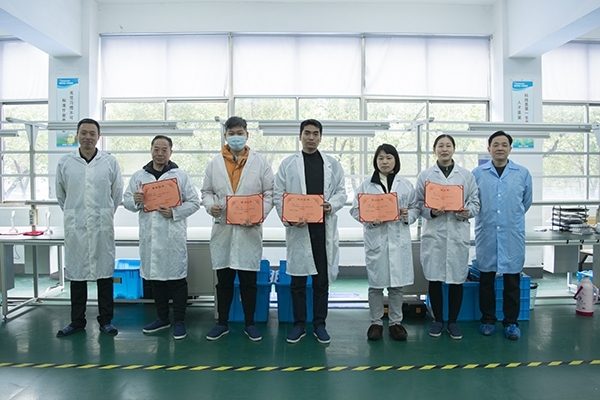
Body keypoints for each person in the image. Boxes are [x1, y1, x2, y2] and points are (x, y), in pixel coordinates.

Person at [273, 119, 347, 344]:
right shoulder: (288, 164)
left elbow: (342, 192)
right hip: (299, 229)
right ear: (300, 136)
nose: (311, 137)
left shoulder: (332, 164)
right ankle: (299, 324)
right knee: (297, 281)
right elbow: (278, 194)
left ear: (321, 137)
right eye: (307, 133)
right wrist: (289, 218)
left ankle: (319, 324)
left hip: (323, 229)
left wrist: (331, 205)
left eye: (315, 133)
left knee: (320, 281)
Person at [201, 116, 274, 342]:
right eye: (231, 133)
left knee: (248, 281)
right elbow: (206, 192)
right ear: (225, 136)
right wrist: (210, 206)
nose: (236, 137)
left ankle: (250, 323)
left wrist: (258, 214)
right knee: (224, 281)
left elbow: (269, 194)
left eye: (240, 133)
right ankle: (222, 323)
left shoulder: (260, 163)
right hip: (223, 228)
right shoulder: (214, 163)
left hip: (249, 229)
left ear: (247, 135)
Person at [123, 135, 200, 340]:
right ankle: (162, 318)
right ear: (151, 150)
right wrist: (135, 200)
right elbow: (127, 201)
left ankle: (180, 321)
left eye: (164, 150)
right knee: (156, 280)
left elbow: (194, 202)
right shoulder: (139, 176)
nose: (159, 153)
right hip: (150, 236)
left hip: (172, 236)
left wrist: (175, 212)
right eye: (156, 149)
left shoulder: (180, 176)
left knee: (177, 280)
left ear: (170, 152)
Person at [55, 118, 123, 337]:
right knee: (77, 275)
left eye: (92, 133)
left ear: (98, 137)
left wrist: (104, 213)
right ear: (77, 135)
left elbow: (117, 193)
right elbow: (61, 195)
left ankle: (106, 321)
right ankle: (77, 321)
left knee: (104, 275)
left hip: (102, 225)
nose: (87, 137)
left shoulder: (109, 162)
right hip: (76, 226)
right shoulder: (65, 162)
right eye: (83, 133)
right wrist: (75, 213)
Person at [349, 144, 418, 341]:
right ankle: (376, 323)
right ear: (375, 161)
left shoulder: (405, 185)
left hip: (398, 239)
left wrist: (407, 214)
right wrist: (370, 219)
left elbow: (415, 208)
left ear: (395, 160)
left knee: (397, 286)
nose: (385, 162)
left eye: (389, 158)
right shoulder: (366, 186)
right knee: (376, 285)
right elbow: (355, 210)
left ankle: (396, 323)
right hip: (377, 239)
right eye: (380, 158)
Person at [416, 134, 480, 340]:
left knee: (456, 279)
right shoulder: (425, 176)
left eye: (448, 146)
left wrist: (467, 212)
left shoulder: (466, 176)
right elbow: (418, 204)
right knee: (434, 279)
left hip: (457, 231)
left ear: (453, 149)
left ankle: (453, 322)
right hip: (434, 233)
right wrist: (431, 212)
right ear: (434, 150)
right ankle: (438, 321)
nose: (444, 149)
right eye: (440, 146)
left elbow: (476, 202)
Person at [472, 131, 532, 340]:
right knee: (486, 281)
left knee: (512, 282)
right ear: (488, 148)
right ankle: (488, 320)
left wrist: (510, 217)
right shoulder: (478, 173)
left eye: (504, 144)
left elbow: (526, 201)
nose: (500, 148)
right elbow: (473, 201)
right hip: (487, 232)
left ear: (510, 148)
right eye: (495, 144)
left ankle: (511, 323)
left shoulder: (522, 173)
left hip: (512, 233)